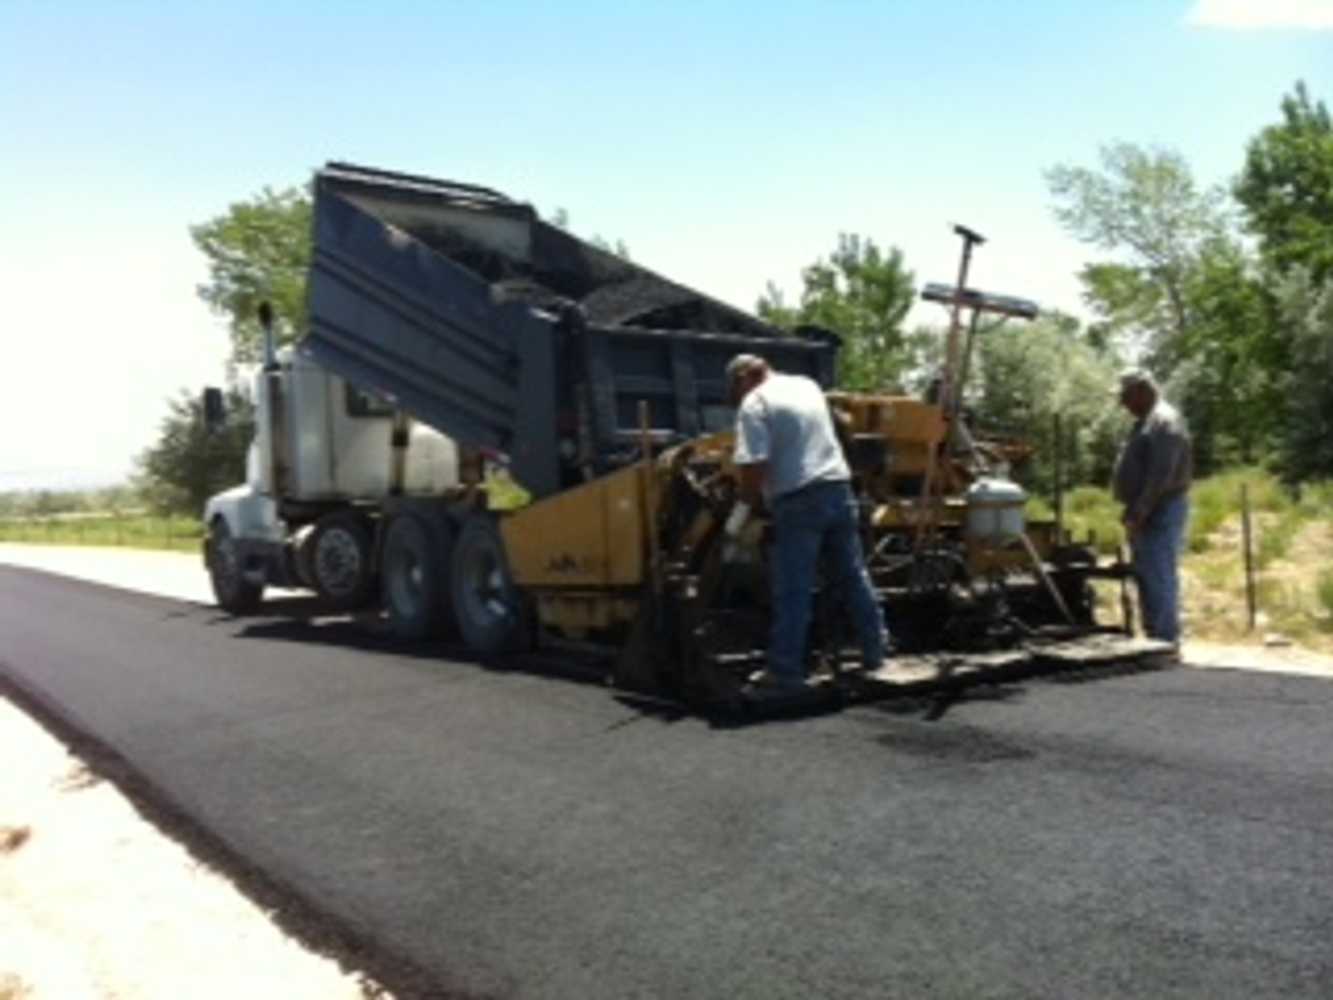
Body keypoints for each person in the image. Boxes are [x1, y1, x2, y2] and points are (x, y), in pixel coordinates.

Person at [726, 353, 889, 690]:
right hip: (839, 490)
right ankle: (876, 651)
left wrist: (738, 517)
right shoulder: (807, 386)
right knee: (853, 575)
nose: (738, 398)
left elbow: (754, 466)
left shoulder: (755, 404)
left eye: (736, 390)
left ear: (744, 378)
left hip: (798, 500)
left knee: (793, 588)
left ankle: (785, 670)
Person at [1112, 369, 1193, 646]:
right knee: (1147, 570)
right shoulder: (1147, 421)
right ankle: (1154, 635)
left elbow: (1161, 475)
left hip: (1160, 508)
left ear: (1142, 390)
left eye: (1126, 396)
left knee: (1158, 571)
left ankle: (1164, 637)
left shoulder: (1164, 421)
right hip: (1149, 508)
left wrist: (1140, 510)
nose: (1124, 404)